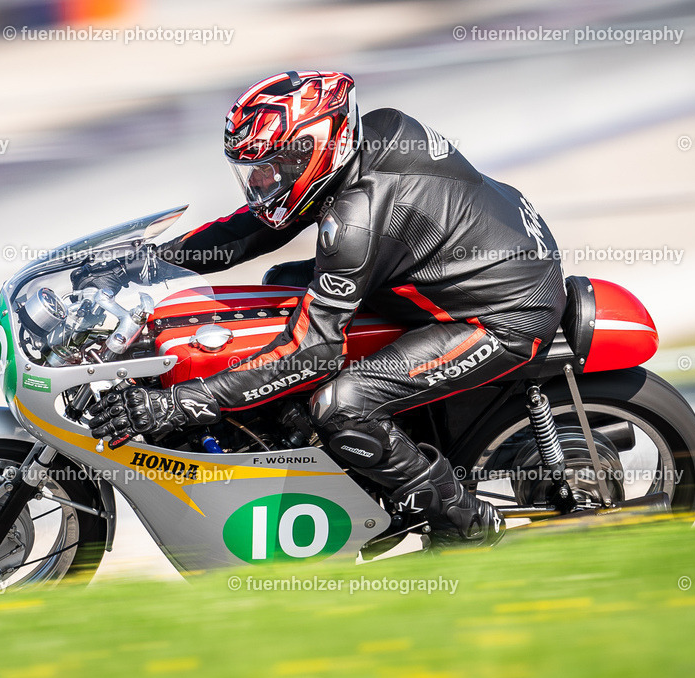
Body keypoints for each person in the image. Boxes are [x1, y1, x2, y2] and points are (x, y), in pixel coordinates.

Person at [88, 70, 566, 546]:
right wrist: (147, 262)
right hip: (482, 259)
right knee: (279, 289)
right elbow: (256, 226)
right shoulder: (369, 136)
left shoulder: (356, 222)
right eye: (251, 170)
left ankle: (466, 527)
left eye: (270, 168)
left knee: (342, 404)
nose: (258, 183)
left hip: (505, 314)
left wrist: (173, 405)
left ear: (312, 151)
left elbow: (314, 353)